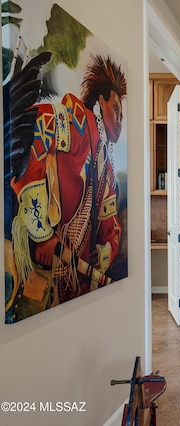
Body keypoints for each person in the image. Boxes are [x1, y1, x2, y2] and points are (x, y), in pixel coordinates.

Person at [9, 53, 126, 309]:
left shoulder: (106, 165)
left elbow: (111, 224)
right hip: (39, 272)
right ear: (100, 101)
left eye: (122, 115)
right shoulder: (66, 121)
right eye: (115, 109)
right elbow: (30, 143)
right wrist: (42, 234)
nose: (119, 121)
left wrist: (105, 252)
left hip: (74, 279)